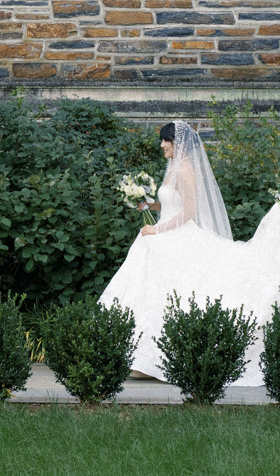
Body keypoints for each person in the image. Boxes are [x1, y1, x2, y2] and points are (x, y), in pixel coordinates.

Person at [97, 120, 265, 383]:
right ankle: (141, 356)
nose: (162, 144)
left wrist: (158, 229)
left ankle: (154, 358)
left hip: (177, 235)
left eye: (167, 140)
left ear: (179, 144)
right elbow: (170, 204)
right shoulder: (172, 167)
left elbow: (189, 212)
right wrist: (147, 205)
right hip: (166, 231)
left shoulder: (185, 168)